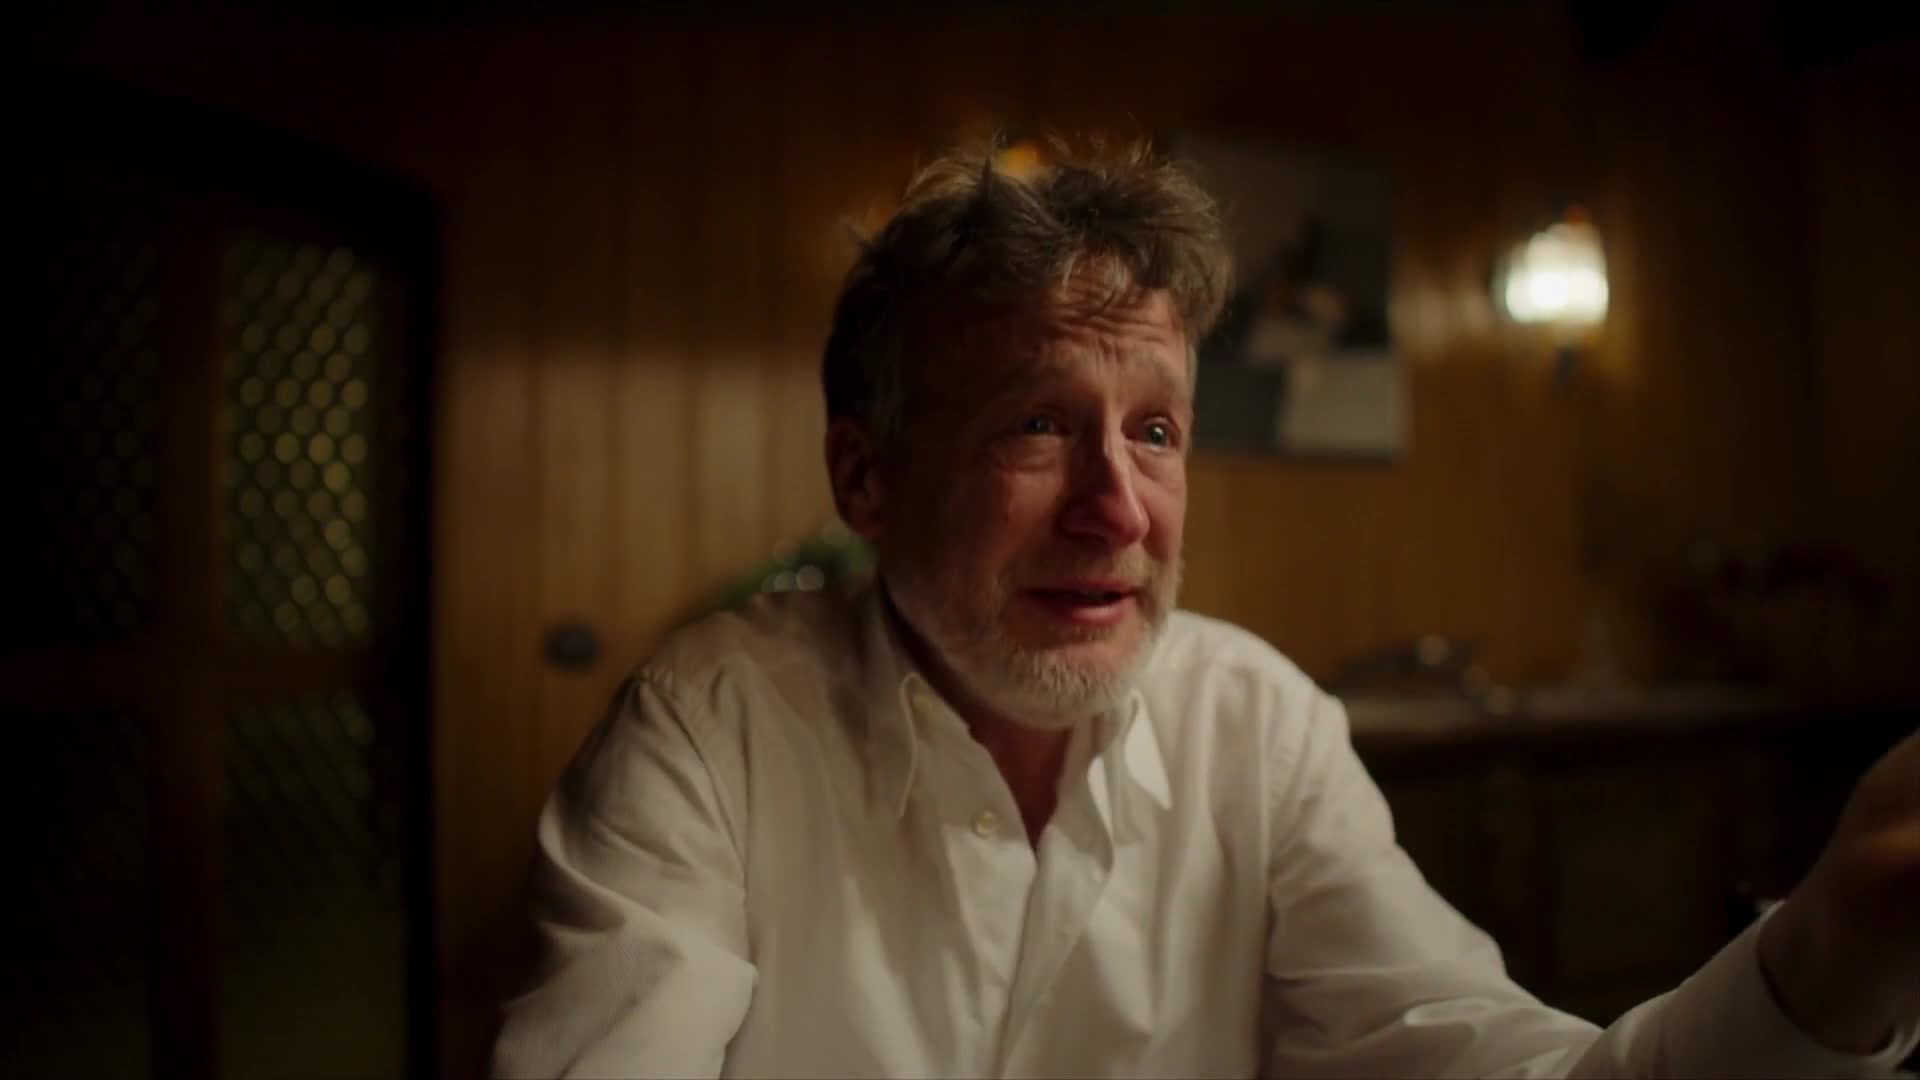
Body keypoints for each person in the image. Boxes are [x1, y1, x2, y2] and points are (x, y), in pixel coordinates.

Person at [491, 137, 1920, 1078]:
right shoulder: (712, 728)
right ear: (866, 477)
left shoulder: (1260, 723)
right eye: (1037, 425)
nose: (1119, 508)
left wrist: (1826, 958)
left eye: (1157, 432)